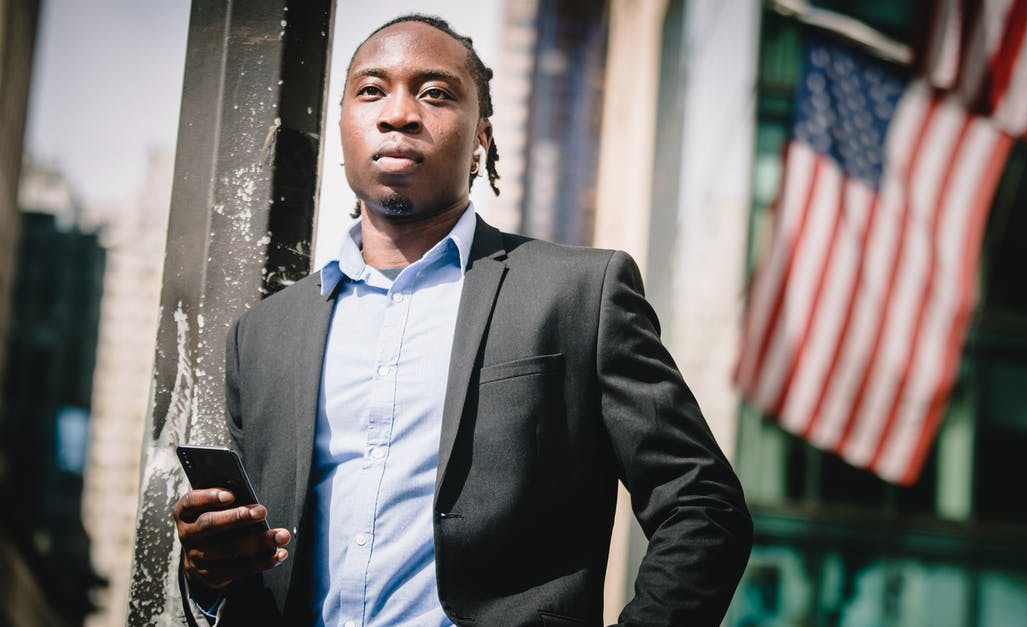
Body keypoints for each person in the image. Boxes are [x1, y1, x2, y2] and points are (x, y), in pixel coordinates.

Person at [172, 14, 751, 626]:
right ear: (344, 124)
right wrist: (208, 577)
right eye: (372, 91)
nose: (399, 113)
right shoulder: (262, 334)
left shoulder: (579, 294)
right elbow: (254, 570)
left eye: (436, 93)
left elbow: (703, 507)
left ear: (482, 137)